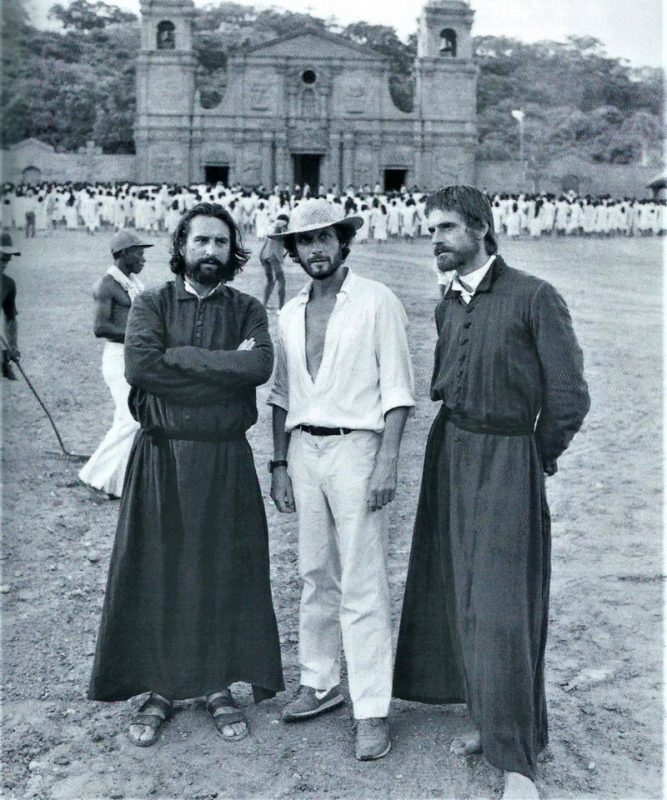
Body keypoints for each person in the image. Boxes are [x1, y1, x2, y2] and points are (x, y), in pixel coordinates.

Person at [393, 185, 590, 800]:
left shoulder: (535, 296)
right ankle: (488, 720)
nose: (435, 239)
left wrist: (537, 457)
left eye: (447, 228)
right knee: (459, 589)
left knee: (505, 605)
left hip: (509, 458)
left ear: (480, 229)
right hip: (451, 451)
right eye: (431, 228)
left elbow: (569, 396)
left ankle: (518, 758)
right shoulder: (446, 302)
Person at [88, 202, 284, 746]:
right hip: (163, 457)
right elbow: (139, 368)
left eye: (221, 243)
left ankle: (218, 684)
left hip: (224, 458)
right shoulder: (150, 302)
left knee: (221, 569)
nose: (211, 252)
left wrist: (179, 360)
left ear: (232, 251)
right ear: (182, 247)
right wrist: (220, 368)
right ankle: (162, 688)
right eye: (201, 241)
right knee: (161, 569)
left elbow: (258, 366)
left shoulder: (247, 309)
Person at [267, 198, 415, 761]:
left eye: (326, 237)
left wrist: (388, 461)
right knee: (312, 571)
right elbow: (281, 396)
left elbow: (398, 389)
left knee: (363, 578)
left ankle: (372, 707)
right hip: (305, 451)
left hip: (359, 450)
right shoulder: (288, 311)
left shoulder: (376, 300)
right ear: (294, 251)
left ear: (343, 240)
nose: (316, 249)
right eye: (305, 242)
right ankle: (320, 680)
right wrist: (279, 463)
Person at [78, 230, 152, 500]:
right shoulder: (107, 285)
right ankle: (93, 477)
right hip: (118, 357)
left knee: (128, 417)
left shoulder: (132, 282)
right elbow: (100, 327)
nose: (143, 258)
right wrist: (140, 337)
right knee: (132, 419)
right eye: (139, 252)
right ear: (123, 254)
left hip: (134, 355)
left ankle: (115, 484)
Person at [1, 232, 21, 380]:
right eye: (2, 258)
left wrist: (12, 347)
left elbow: (10, 318)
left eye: (8, 259)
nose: (4, 263)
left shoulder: (8, 284)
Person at [259, 213, 289, 309]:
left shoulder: (272, 225)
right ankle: (281, 307)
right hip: (274, 256)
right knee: (281, 280)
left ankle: (264, 304)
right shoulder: (282, 223)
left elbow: (269, 240)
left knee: (270, 281)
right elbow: (284, 236)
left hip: (264, 255)